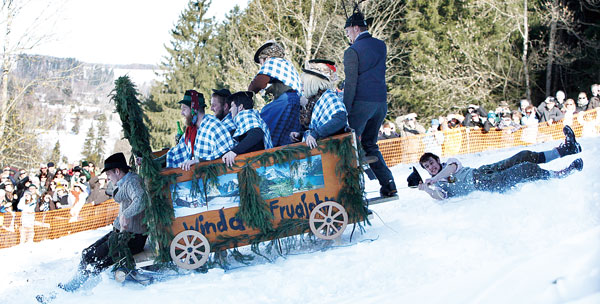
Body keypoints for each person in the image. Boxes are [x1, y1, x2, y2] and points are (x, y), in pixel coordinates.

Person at [59, 153, 148, 292]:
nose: (107, 177)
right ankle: (77, 283)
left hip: (132, 237)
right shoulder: (124, 182)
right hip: (122, 233)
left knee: (93, 258)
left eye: (108, 173)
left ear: (117, 171)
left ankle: (79, 289)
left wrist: (126, 214)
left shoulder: (132, 182)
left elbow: (141, 199)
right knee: (87, 253)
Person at [417, 126, 583, 200]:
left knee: (523, 155)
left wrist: (436, 178)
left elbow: (451, 170)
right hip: (485, 184)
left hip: (482, 171)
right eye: (427, 167)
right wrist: (427, 190)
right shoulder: (438, 185)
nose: (431, 167)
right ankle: (563, 173)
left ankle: (566, 150)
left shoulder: (449, 165)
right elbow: (441, 198)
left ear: (437, 160)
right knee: (525, 168)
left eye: (431, 163)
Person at [343, 10, 396, 197]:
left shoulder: (352, 51)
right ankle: (388, 183)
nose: (348, 36)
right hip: (381, 103)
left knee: (351, 146)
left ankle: (354, 191)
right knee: (370, 144)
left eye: (348, 32)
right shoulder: (381, 46)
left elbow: (351, 83)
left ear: (356, 28)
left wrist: (345, 109)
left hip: (361, 104)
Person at [250, 40, 302, 147]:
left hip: (287, 99)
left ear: (266, 57)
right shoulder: (287, 64)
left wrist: (246, 96)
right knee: (287, 134)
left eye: (261, 62)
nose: (262, 66)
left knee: (263, 120)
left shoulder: (272, 62)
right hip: (296, 100)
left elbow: (257, 84)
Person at [166, 90, 234, 171]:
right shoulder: (191, 130)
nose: (182, 113)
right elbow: (175, 152)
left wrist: (198, 160)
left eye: (184, 109)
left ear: (194, 109)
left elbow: (226, 152)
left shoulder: (213, 126)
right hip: (195, 178)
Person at [290, 63, 348, 149]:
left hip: (334, 150)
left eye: (303, 84)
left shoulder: (329, 97)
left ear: (311, 84)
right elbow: (318, 126)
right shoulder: (315, 100)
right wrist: (300, 135)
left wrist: (315, 134)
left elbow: (340, 119)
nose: (301, 88)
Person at [222, 91, 273, 166]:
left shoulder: (245, 115)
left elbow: (256, 133)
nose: (230, 110)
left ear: (240, 107)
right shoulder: (253, 116)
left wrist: (234, 152)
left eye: (232, 106)